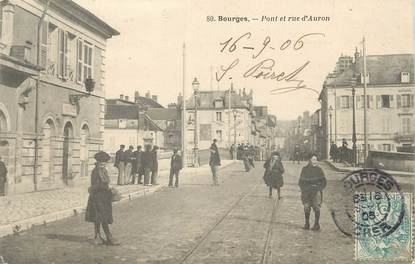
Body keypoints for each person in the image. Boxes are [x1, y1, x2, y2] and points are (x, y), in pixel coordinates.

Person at [85, 151, 119, 245]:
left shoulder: (103, 170)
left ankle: (100, 236)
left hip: (103, 198)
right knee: (100, 218)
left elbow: (105, 182)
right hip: (97, 198)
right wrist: (107, 187)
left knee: (100, 218)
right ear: (99, 162)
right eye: (104, 162)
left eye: (105, 162)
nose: (105, 164)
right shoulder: (96, 171)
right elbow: (95, 185)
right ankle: (106, 237)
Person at [298, 154, 327, 231]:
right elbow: (300, 182)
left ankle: (316, 224)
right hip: (306, 192)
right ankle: (307, 223)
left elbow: (324, 182)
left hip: (316, 191)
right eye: (313, 160)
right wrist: (304, 189)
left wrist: (319, 188)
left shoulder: (319, 170)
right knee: (306, 207)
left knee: (316, 207)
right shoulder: (304, 169)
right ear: (309, 160)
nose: (315, 161)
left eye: (316, 160)